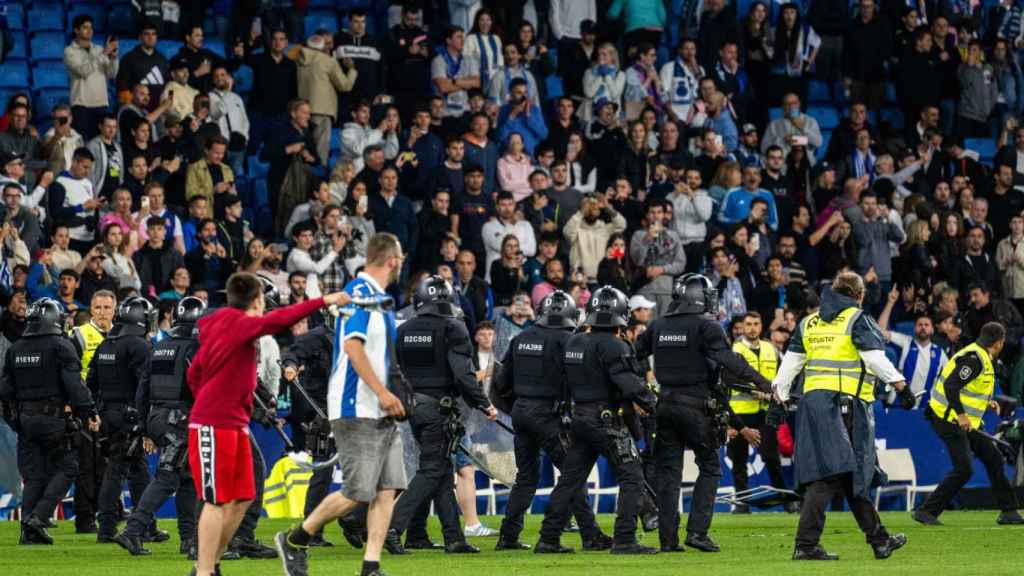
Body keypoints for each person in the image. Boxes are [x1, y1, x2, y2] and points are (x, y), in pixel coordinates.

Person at [187, 271, 347, 576]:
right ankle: (204, 571)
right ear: (257, 300)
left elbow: (194, 374)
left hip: (234, 423)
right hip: (214, 423)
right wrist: (324, 300)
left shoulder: (217, 324)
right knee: (215, 499)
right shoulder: (239, 324)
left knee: (244, 496)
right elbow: (280, 320)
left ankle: (212, 563)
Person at [274, 233, 406, 576]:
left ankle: (371, 565)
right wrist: (382, 393)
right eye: (401, 257)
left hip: (380, 409)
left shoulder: (379, 299)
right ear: (393, 259)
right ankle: (295, 540)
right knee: (356, 492)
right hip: (356, 407)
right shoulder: (360, 295)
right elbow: (352, 347)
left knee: (387, 488)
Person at [771, 271, 912, 560]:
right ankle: (806, 545)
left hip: (813, 405)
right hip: (844, 405)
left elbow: (790, 365)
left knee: (850, 474)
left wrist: (779, 397)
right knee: (830, 475)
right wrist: (901, 384)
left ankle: (879, 539)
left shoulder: (808, 322)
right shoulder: (856, 319)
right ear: (859, 295)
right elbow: (873, 358)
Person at [633, 275, 772, 553]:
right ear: (701, 297)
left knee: (668, 474)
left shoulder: (658, 325)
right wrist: (765, 383)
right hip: (696, 407)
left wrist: (637, 389)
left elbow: (632, 353)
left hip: (665, 406)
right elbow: (729, 360)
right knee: (709, 467)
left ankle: (668, 541)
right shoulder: (707, 326)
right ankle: (697, 532)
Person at [535, 286, 657, 554]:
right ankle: (625, 539)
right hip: (606, 420)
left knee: (569, 480)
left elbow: (563, 381)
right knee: (632, 475)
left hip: (579, 418)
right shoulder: (614, 344)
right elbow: (628, 383)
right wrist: (651, 402)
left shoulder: (574, 341)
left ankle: (548, 538)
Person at [494, 290, 612, 551]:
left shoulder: (520, 338)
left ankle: (508, 536)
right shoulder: (569, 340)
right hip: (548, 414)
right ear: (570, 314)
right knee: (573, 474)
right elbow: (577, 381)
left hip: (521, 412)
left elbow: (501, 382)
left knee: (525, 478)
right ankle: (589, 535)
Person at [0, 298, 100, 545]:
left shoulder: (16, 349)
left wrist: (17, 421)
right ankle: (39, 517)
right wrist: (88, 411)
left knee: (34, 476)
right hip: (53, 418)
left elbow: (4, 390)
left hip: (25, 419)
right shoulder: (60, 345)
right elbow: (75, 386)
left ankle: (28, 532)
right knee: (69, 467)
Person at [112, 297, 206, 556]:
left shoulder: (160, 346)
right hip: (181, 419)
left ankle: (189, 540)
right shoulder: (195, 348)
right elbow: (201, 387)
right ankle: (132, 531)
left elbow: (143, 389)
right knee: (168, 477)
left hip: (157, 417)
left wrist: (144, 427)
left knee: (187, 478)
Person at [914, 322, 1024, 526]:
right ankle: (926, 511)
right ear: (999, 342)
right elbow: (951, 385)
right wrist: (962, 415)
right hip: (948, 419)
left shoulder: (978, 355)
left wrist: (987, 402)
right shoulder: (975, 359)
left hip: (963, 420)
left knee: (994, 458)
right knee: (964, 469)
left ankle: (1009, 511)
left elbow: (967, 388)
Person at [87, 297, 156, 541]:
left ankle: (146, 527)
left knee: (136, 470)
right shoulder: (139, 345)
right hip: (131, 415)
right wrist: (146, 419)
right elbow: (146, 386)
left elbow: (91, 383)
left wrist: (96, 412)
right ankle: (106, 530)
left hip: (109, 415)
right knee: (117, 470)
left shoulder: (107, 343)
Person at [723, 311, 791, 514]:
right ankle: (743, 504)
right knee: (739, 460)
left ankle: (786, 500)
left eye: (756, 323)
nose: (752, 327)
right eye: (748, 324)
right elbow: (729, 380)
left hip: (765, 412)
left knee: (771, 456)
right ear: (742, 327)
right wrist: (756, 392)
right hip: (740, 412)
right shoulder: (734, 349)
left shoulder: (771, 349)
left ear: (761, 326)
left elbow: (781, 376)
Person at [64, 15, 118, 141]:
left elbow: (111, 74)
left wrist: (114, 58)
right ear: (76, 30)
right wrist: (104, 54)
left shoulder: (99, 49)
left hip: (101, 103)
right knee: (81, 144)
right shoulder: (69, 51)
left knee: (100, 142)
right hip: (81, 105)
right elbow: (83, 71)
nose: (90, 31)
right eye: (85, 27)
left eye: (91, 28)